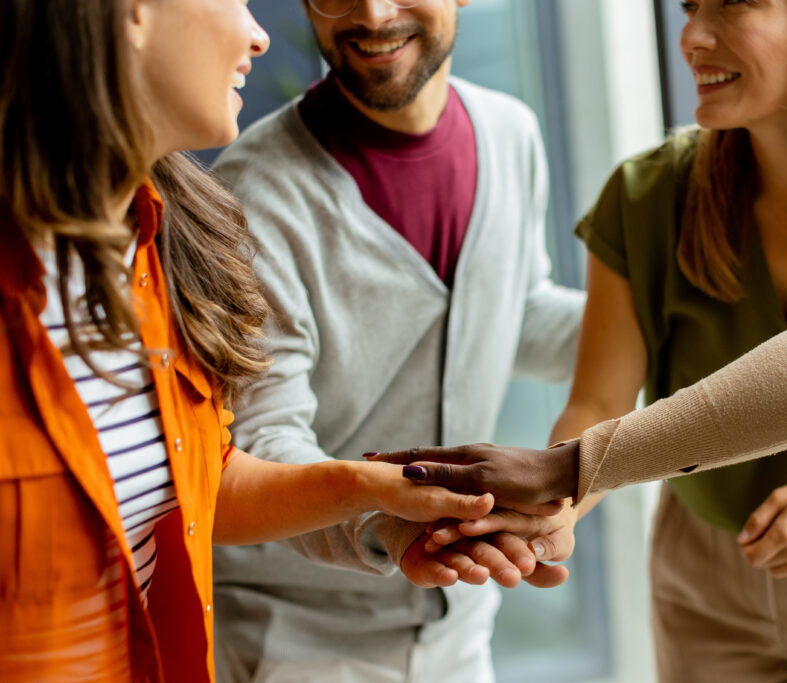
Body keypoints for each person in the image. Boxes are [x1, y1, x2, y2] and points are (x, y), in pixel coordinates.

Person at [415, 1, 787, 679]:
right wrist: (558, 509)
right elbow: (597, 404)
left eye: (731, 3)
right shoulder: (649, 199)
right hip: (699, 564)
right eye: (689, 7)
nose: (690, 38)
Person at [0, 1, 500, 681]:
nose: (258, 33)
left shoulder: (158, 247)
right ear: (132, 15)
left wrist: (378, 493)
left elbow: (203, 482)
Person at [208, 0, 584, 681]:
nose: (374, 14)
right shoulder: (249, 196)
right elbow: (263, 446)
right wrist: (386, 519)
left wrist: (664, 309)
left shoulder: (509, 132)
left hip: (460, 619)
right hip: (298, 639)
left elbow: (513, 314)